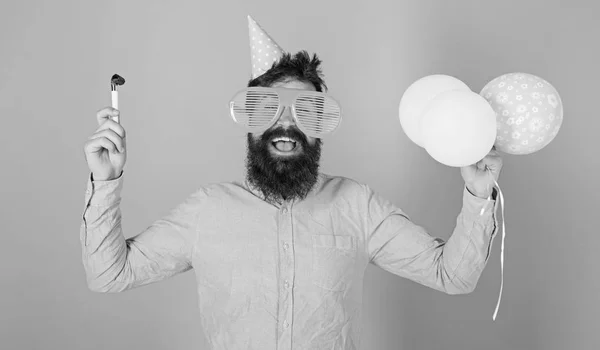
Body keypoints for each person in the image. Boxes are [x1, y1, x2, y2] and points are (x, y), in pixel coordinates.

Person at [80, 16, 502, 350]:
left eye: (307, 111)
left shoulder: (357, 205)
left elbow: (454, 276)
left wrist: (479, 194)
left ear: (320, 128)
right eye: (269, 108)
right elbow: (108, 275)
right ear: (249, 123)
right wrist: (105, 180)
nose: (287, 123)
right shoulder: (206, 211)